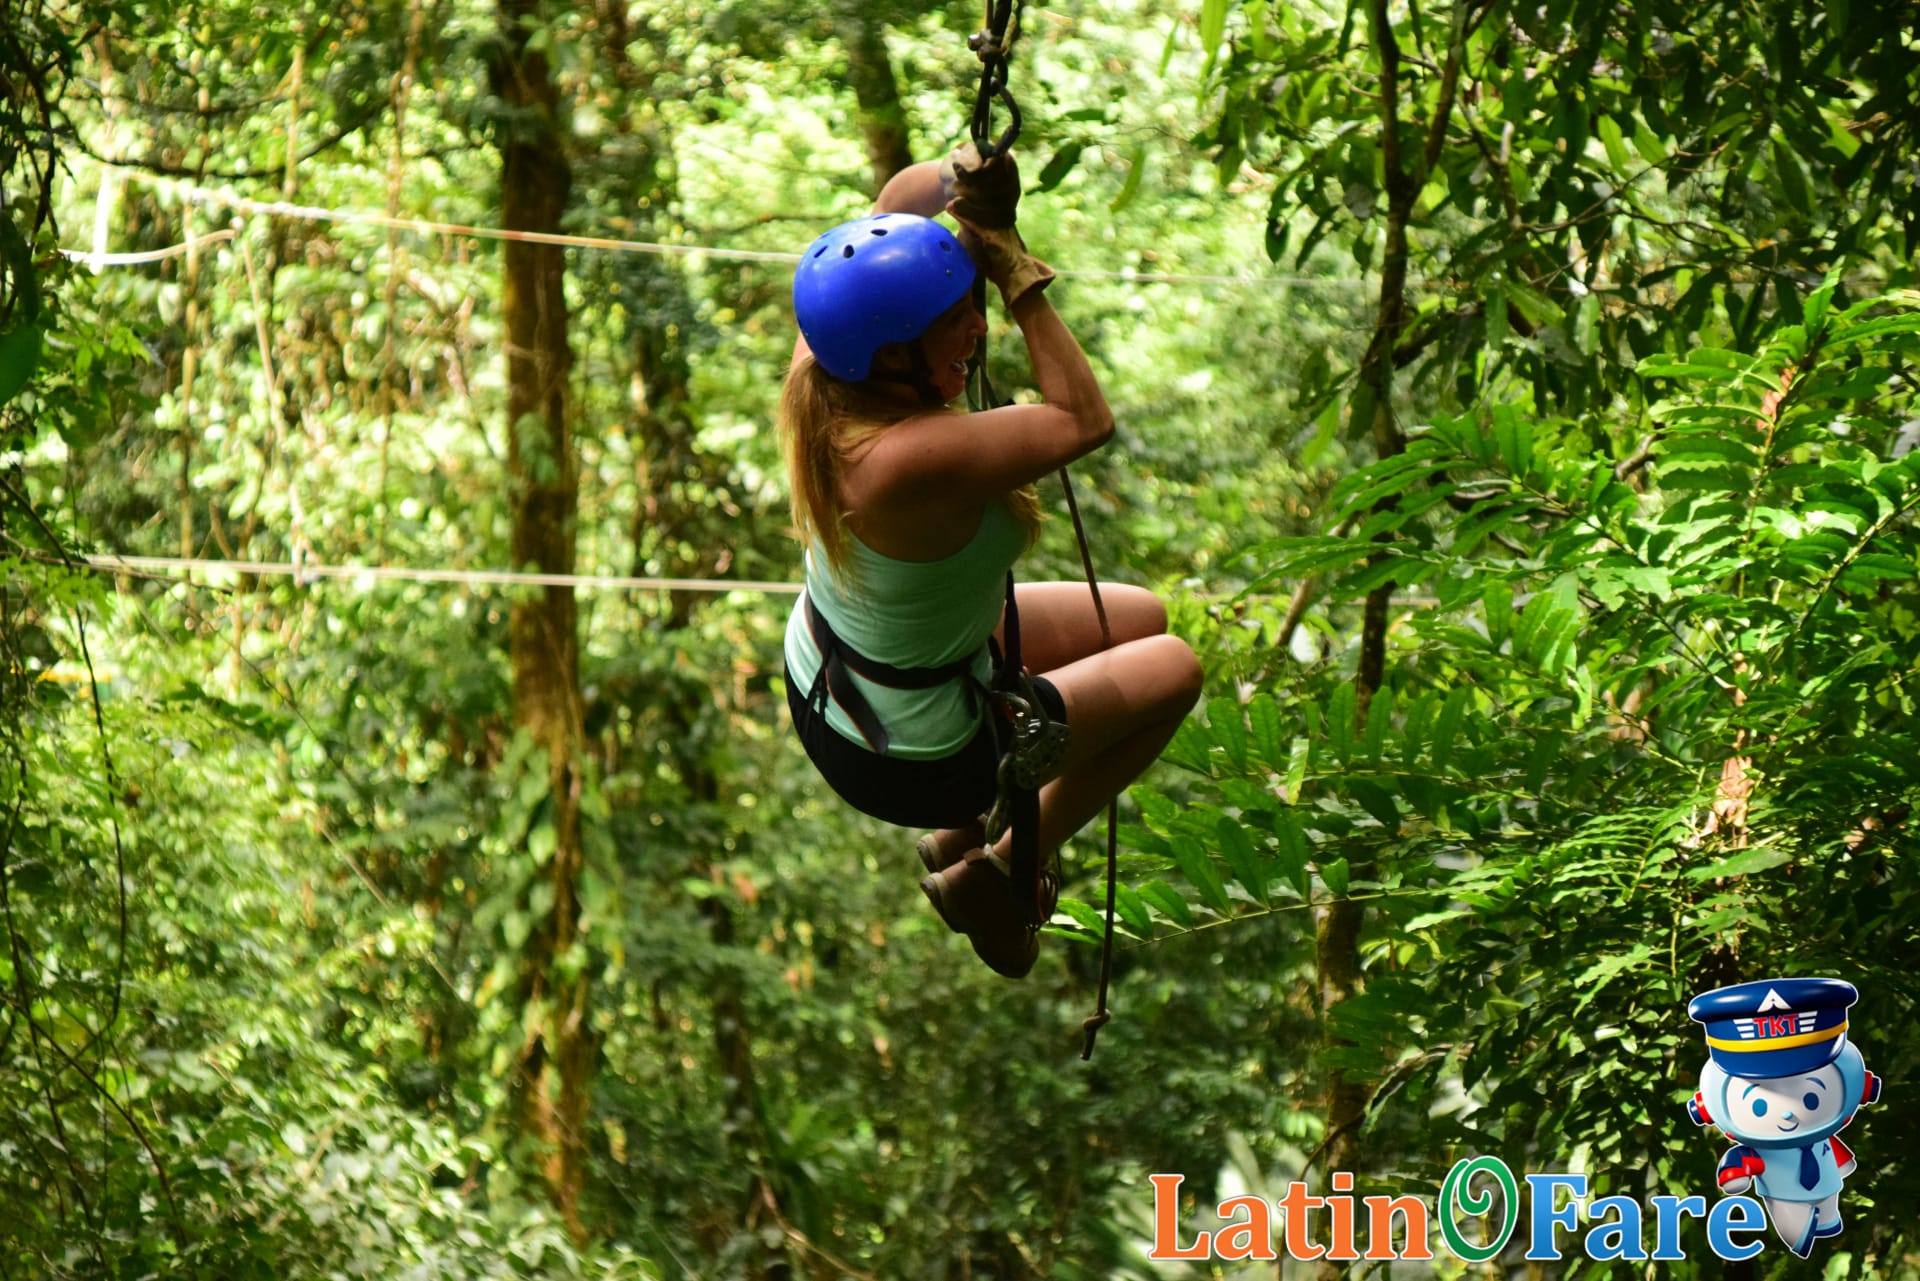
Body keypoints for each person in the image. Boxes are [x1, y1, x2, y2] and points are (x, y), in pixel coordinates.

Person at [779, 145, 1203, 978]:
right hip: (907, 755)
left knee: (1141, 617)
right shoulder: (901, 460)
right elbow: (1082, 419)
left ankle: (957, 838)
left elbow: (894, 203)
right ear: (892, 355)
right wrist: (1013, 272)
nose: (976, 330)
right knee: (1174, 669)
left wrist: (958, 176)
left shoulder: (828, 366)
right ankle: (1002, 869)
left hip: (838, 675)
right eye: (952, 323)